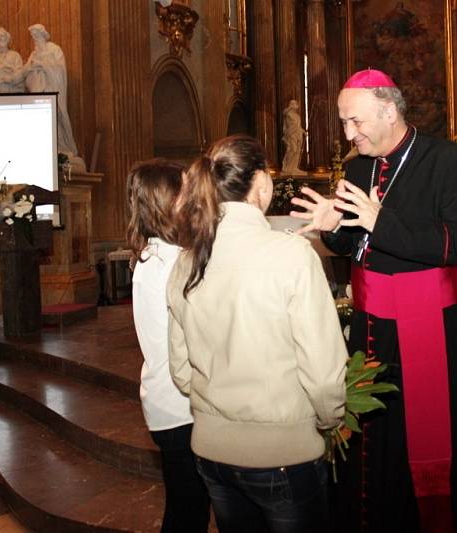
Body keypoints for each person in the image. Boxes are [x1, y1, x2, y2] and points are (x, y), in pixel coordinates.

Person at [290, 69, 457, 532]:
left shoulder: (448, 161)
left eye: (354, 122)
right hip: (369, 329)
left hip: (429, 331)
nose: (348, 134)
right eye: (343, 123)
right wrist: (333, 228)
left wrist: (383, 221)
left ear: (388, 109)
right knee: (367, 443)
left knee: (422, 441)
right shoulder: (357, 166)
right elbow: (353, 246)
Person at [167, 135, 347, 533]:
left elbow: (180, 370)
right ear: (262, 183)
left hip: (211, 451)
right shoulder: (292, 255)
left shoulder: (187, 260)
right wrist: (330, 418)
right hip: (283, 453)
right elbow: (322, 372)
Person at [126, 159, 210, 533]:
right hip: (181, 405)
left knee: (184, 505)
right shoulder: (177, 262)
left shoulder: (150, 255)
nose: (192, 198)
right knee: (188, 511)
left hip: (163, 400)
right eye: (186, 191)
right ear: (170, 200)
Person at [24, 23, 79, 158]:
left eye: (37, 35)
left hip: (52, 91)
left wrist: (42, 65)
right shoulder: (34, 54)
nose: (35, 38)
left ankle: (61, 147)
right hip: (38, 93)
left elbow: (59, 69)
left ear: (43, 35)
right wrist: (31, 69)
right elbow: (25, 72)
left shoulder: (54, 49)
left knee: (56, 120)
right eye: (33, 36)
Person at [282, 99, 307, 174]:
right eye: (292, 104)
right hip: (291, 134)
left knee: (298, 151)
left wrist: (303, 131)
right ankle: (287, 167)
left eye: (295, 103)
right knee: (293, 150)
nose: (295, 105)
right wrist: (290, 107)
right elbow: (285, 112)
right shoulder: (288, 113)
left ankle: (294, 167)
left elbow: (297, 126)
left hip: (298, 134)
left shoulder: (297, 116)